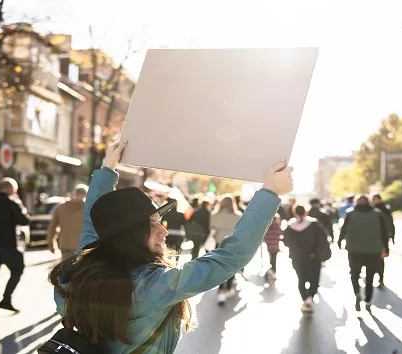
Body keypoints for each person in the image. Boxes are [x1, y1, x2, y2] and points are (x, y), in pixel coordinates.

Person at [49, 141, 293, 353]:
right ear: (129, 236)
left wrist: (107, 169)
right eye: (153, 225)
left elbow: (93, 225)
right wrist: (270, 193)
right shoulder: (154, 286)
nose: (164, 230)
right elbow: (228, 257)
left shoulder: (74, 275)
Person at [0, 177, 30, 317]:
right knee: (18, 269)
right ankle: (6, 299)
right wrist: (20, 203)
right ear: (10, 189)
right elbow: (24, 221)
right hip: (8, 245)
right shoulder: (12, 202)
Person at [338, 195, 389, 312]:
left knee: (354, 274)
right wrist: (386, 248)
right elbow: (384, 232)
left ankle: (357, 292)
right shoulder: (377, 214)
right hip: (373, 251)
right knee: (370, 276)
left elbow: (343, 229)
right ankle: (368, 299)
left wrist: (340, 242)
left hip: (354, 250)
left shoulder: (350, 214)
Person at [283, 205, 331, 313]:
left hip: (297, 257)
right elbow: (323, 238)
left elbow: (285, 242)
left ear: (294, 213)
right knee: (314, 278)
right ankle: (310, 297)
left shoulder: (290, 226)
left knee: (301, 278)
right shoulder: (313, 224)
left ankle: (305, 298)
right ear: (306, 212)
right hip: (312, 256)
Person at [210, 194, 243, 305]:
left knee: (219, 266)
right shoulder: (238, 215)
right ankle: (228, 288)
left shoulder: (214, 215)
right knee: (230, 267)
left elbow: (211, 229)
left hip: (218, 243)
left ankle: (221, 290)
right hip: (232, 244)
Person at [47, 184, 88, 259]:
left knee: (66, 269)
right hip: (83, 245)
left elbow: (52, 227)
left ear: (75, 193)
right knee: (81, 269)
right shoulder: (88, 208)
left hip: (65, 245)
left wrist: (51, 243)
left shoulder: (61, 207)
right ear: (85, 195)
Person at [372, 194, 395, 288]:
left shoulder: (383, 209)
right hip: (375, 237)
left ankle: (381, 279)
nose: (374, 201)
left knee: (380, 259)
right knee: (375, 259)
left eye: (375, 199)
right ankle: (377, 277)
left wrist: (392, 236)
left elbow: (390, 223)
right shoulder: (373, 209)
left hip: (381, 237)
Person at [161, 198, 186, 263]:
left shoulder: (166, 214)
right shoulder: (181, 215)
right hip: (178, 233)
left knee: (168, 249)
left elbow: (161, 223)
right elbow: (184, 225)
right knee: (178, 249)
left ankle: (168, 263)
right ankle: (176, 263)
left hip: (169, 233)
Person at [263, 214, 282, 281]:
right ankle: (271, 274)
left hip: (269, 246)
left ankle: (270, 273)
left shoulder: (267, 227)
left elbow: (265, 236)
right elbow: (280, 234)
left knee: (272, 260)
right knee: (273, 261)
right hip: (275, 247)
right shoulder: (277, 226)